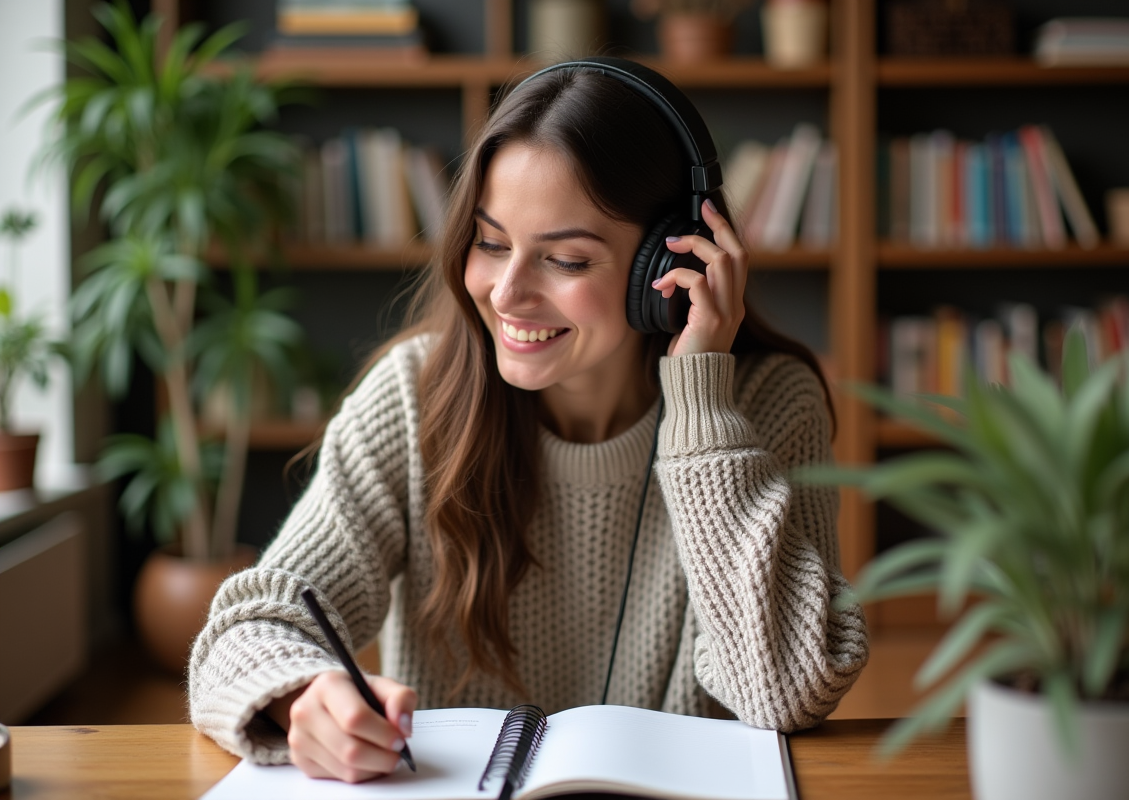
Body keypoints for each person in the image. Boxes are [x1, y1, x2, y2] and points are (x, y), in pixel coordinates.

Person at [188, 57, 869, 783]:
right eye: (489, 242)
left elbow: (790, 690)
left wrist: (701, 405)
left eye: (567, 259)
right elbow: (246, 631)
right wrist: (303, 698)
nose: (508, 293)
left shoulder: (772, 404)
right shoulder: (413, 397)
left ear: (668, 273)